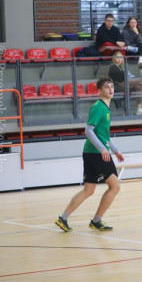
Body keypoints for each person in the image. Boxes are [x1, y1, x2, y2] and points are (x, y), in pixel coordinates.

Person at [54, 76, 124, 232]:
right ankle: (96, 220)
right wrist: (102, 149)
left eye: (112, 86)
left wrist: (115, 150)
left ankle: (63, 218)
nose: (110, 89)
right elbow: (88, 130)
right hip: (97, 154)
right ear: (100, 90)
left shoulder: (105, 108)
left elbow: (103, 135)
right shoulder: (99, 107)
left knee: (89, 190)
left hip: (91, 153)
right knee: (115, 186)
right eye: (107, 87)